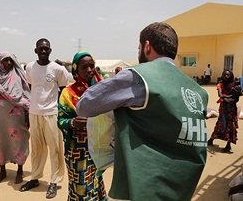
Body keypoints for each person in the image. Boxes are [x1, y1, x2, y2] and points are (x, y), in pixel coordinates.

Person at [76, 22, 209, 200]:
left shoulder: (138, 77)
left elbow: (85, 105)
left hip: (146, 188)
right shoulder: (197, 90)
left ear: (147, 47)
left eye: (138, 48)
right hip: (183, 188)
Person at [19, 38, 69, 199]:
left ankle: (54, 182)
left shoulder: (58, 69)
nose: (43, 51)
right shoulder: (29, 67)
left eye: (46, 49)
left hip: (51, 114)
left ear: (50, 51)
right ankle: (34, 178)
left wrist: (61, 113)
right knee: (37, 149)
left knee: (54, 149)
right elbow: (32, 88)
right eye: (40, 49)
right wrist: (28, 111)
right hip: (34, 113)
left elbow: (63, 92)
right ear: (35, 51)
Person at [58, 51, 108, 200]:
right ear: (75, 70)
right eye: (84, 67)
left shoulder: (100, 90)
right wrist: (72, 122)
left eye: (91, 66)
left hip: (98, 147)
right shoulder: (68, 93)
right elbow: (60, 120)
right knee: (80, 187)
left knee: (96, 182)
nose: (89, 70)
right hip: (77, 151)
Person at [0, 52, 31, 184]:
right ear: (0, 62)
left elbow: (26, 95)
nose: (8, 63)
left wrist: (27, 114)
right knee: (2, 140)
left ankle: (20, 170)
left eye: (10, 60)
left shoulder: (19, 76)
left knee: (19, 140)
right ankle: (2, 170)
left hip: (17, 113)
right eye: (5, 60)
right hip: (0, 115)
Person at [208, 70, 241, 153]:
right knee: (221, 123)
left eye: (228, 75)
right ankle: (211, 139)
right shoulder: (220, 85)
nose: (226, 76)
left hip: (232, 109)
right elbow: (220, 95)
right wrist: (229, 97)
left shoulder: (235, 86)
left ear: (231, 76)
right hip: (223, 108)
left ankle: (228, 145)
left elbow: (236, 97)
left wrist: (234, 95)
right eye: (225, 75)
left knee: (231, 125)